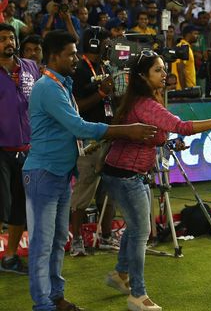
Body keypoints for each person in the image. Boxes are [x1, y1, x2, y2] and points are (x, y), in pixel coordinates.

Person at [23, 30, 156, 311]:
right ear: (54, 56)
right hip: (43, 175)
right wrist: (126, 130)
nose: (75, 58)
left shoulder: (61, 85)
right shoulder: (47, 87)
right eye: (71, 54)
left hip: (58, 175)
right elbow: (79, 127)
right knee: (42, 244)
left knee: (58, 240)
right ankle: (42, 305)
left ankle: (56, 297)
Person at [100, 49, 211, 311]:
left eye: (164, 69)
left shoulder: (138, 101)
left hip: (120, 172)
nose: (165, 74)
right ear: (142, 76)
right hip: (127, 175)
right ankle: (138, 296)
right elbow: (183, 126)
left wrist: (169, 141)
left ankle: (120, 275)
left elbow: (155, 135)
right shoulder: (146, 105)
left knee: (134, 227)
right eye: (158, 70)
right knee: (141, 232)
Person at [68, 27, 121, 257]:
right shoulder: (78, 69)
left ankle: (106, 236)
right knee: (83, 191)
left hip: (107, 134)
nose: (108, 48)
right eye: (105, 43)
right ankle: (77, 240)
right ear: (95, 43)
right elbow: (74, 107)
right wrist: (100, 94)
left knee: (110, 189)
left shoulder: (104, 66)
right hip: (88, 138)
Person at [0, 23, 40, 274]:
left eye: (11, 37)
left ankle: (10, 257)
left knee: (20, 206)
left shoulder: (30, 67)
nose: (8, 42)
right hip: (1, 151)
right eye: (3, 38)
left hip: (27, 149)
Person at [171, 24, 199, 90]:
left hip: (188, 88)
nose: (197, 36)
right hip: (183, 89)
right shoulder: (183, 47)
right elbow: (180, 68)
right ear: (188, 34)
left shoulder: (185, 47)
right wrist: (184, 90)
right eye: (195, 34)